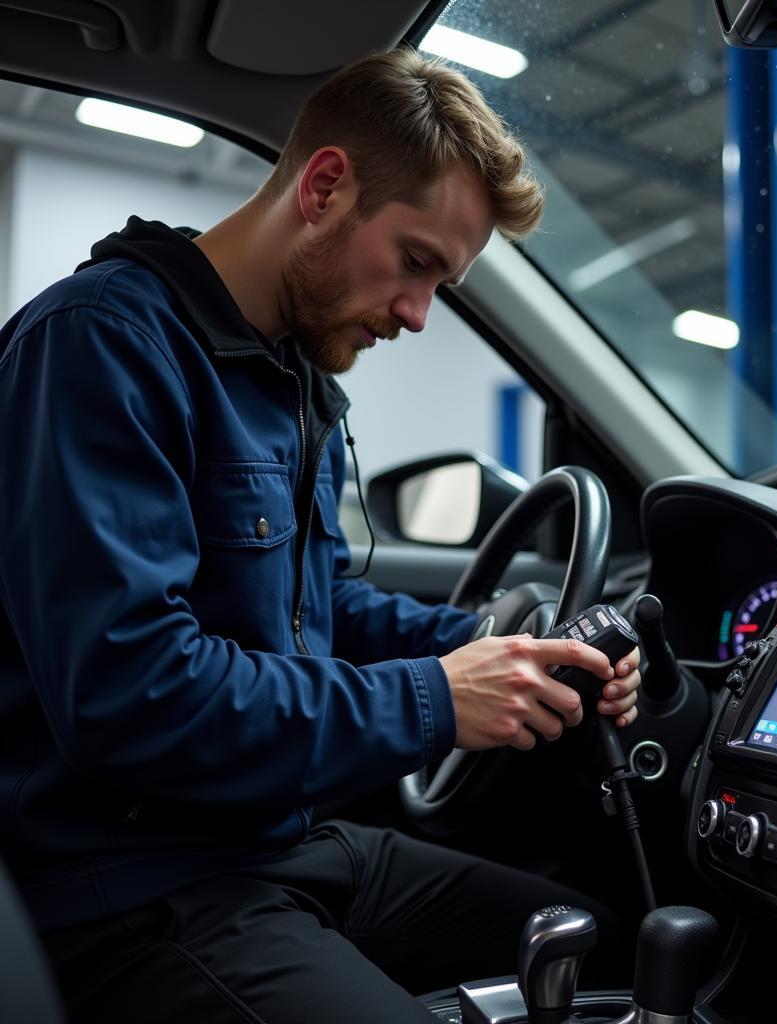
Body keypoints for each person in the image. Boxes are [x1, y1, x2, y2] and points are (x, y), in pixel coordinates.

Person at [0, 48, 642, 1022]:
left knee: (604, 937)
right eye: (415, 263)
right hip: (129, 887)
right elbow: (130, 693)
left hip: (276, 844)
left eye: (442, 283)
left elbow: (318, 609)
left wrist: (492, 654)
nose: (420, 314)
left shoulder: (287, 380)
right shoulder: (101, 345)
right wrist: (432, 700)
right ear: (327, 186)